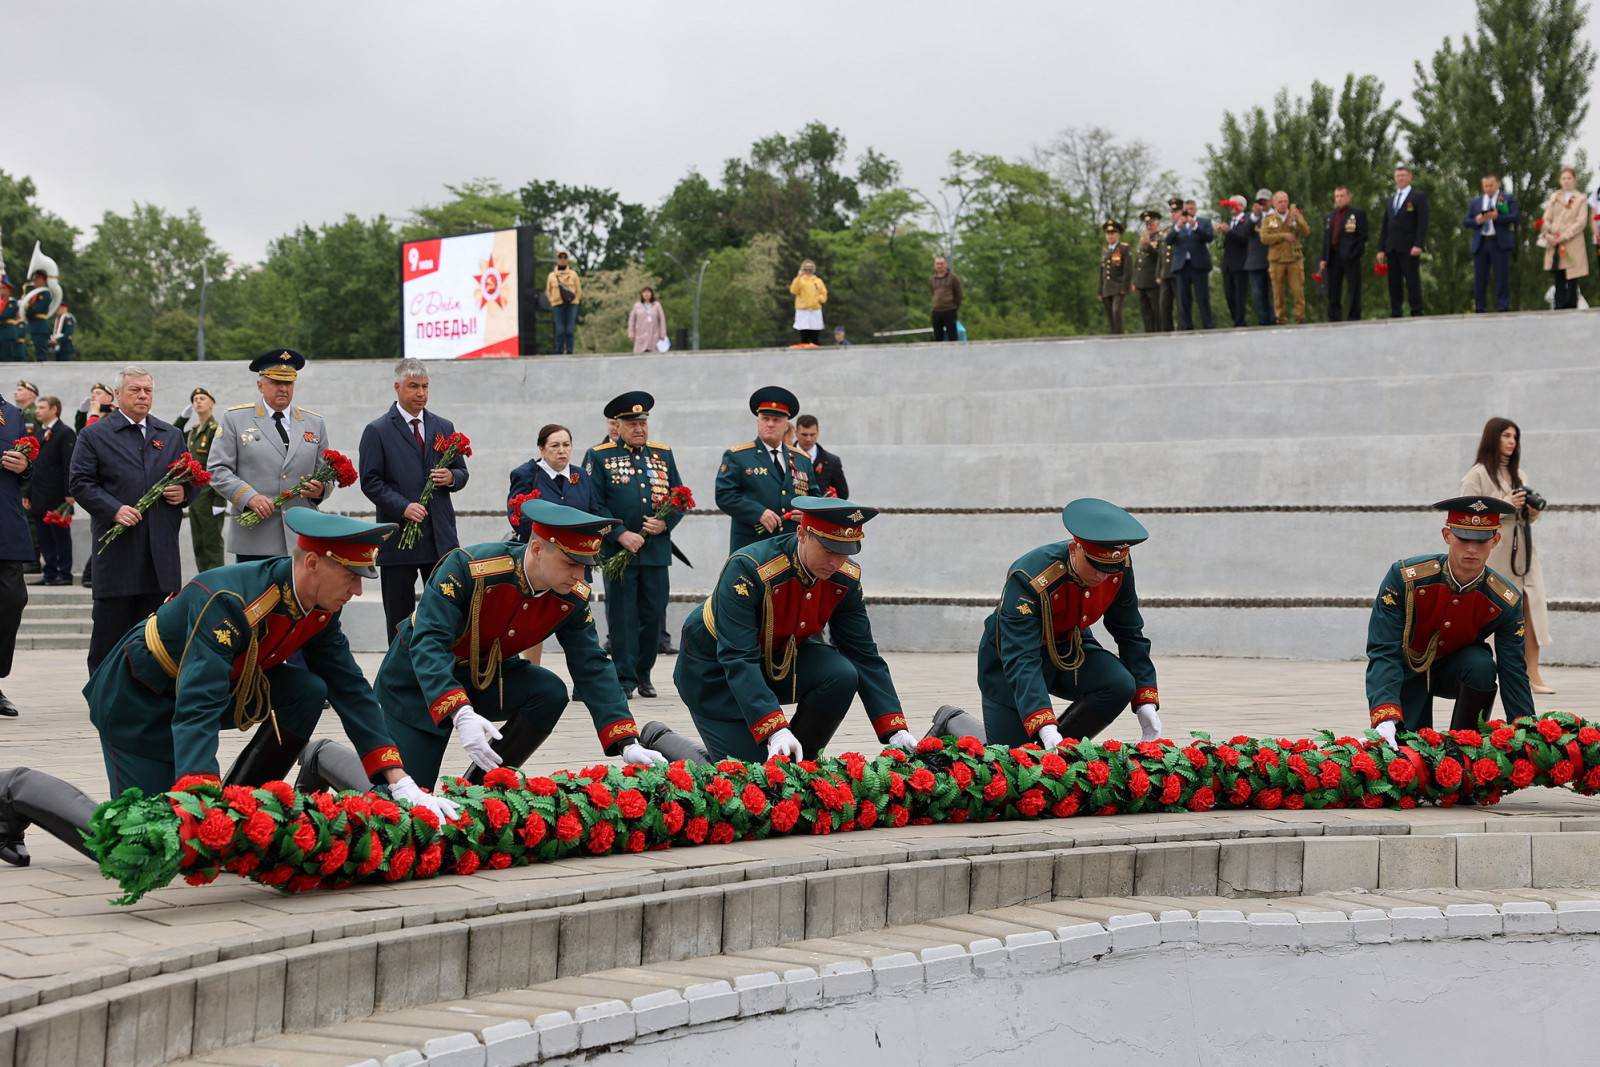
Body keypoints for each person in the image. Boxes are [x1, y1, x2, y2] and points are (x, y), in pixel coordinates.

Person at [0, 510, 460, 868]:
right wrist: (198, 798)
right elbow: (195, 706)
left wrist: (399, 780)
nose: (358, 591)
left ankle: (245, 801)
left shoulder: (319, 605)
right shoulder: (229, 600)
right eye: (352, 577)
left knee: (307, 688)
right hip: (139, 702)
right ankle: (14, 790)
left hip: (214, 691)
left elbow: (351, 689)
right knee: (139, 846)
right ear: (314, 563)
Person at [349, 497, 664, 791]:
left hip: (486, 678)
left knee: (549, 692)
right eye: (571, 563)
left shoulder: (570, 597)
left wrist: (627, 741)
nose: (579, 575)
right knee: (403, 796)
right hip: (417, 685)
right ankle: (324, 761)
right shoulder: (469, 568)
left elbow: (591, 664)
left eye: (586, 565)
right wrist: (459, 712)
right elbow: (428, 643)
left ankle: (482, 786)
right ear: (538, 549)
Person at [642, 497, 915, 764]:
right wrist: (774, 730)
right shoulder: (749, 568)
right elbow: (737, 657)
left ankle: (798, 762)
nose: (836, 562)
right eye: (829, 549)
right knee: (746, 780)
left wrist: (894, 729)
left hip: (776, 661)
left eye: (845, 552)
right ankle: (660, 738)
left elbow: (862, 653)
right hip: (715, 674)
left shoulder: (843, 578)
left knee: (841, 674)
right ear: (802, 534)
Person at [976, 498, 1161, 746]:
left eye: (1110, 568)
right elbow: (1022, 658)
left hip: (1069, 649)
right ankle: (951, 720)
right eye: (1095, 566)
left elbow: (1129, 632)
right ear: (1075, 550)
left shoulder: (1117, 570)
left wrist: (1145, 700)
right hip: (1011, 658)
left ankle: (1061, 751)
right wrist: (1044, 725)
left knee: (1119, 684)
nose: (1102, 576)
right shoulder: (1030, 577)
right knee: (1010, 760)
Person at [1365, 496, 1533, 748]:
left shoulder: (1505, 600)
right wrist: (1385, 715)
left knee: (1482, 665)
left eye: (1481, 541)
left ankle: (1464, 746)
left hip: (1457, 671)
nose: (1472, 549)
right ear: (1447, 535)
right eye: (1463, 538)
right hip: (1407, 671)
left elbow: (1513, 670)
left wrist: (1527, 731)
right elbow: (1383, 649)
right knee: (1409, 751)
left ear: (1495, 540)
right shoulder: (1405, 578)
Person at [67, 366, 195, 673]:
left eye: (147, 390)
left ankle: (147, 703)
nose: (142, 396)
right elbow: (80, 483)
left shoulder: (171, 434)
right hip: (119, 554)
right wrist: (114, 509)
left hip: (159, 556)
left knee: (155, 638)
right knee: (110, 636)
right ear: (117, 395)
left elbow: (190, 478)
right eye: (134, 390)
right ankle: (103, 699)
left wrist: (184, 493)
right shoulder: (95, 435)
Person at [582, 391, 684, 699]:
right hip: (619, 552)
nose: (639, 429)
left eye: (642, 422)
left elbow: (680, 496)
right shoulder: (599, 455)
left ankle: (644, 673)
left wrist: (666, 522)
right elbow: (593, 503)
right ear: (618, 425)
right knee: (623, 615)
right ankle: (624, 677)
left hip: (655, 550)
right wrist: (619, 533)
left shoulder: (662, 454)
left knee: (653, 613)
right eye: (632, 423)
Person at [357, 359, 468, 643]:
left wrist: (451, 476)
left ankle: (440, 666)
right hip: (398, 542)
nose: (421, 393)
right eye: (414, 387)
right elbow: (370, 481)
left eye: (425, 387)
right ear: (397, 388)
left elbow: (463, 472)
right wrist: (402, 506)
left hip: (439, 539)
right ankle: (400, 676)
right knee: (399, 616)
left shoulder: (443, 426)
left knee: (446, 610)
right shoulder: (377, 430)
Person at [208, 349, 333, 562]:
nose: (283, 388)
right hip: (256, 537)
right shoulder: (236, 419)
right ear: (260, 385)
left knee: (300, 596)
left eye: (289, 383)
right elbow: (217, 470)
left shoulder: (314, 423)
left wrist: (321, 489)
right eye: (276, 382)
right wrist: (249, 497)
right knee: (258, 596)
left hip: (301, 536)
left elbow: (327, 472)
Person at [1460, 418, 1553, 694]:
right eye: (1506, 436)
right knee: (1491, 606)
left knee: (1531, 605)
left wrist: (1531, 512)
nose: (1512, 441)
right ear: (1493, 438)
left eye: (1515, 437)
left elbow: (1523, 516)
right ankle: (1469, 663)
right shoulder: (1476, 475)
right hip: (1494, 550)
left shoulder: (1519, 475)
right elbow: (1467, 516)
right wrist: (1504, 507)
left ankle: (1532, 672)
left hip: (1523, 549)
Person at [716, 386, 815, 552]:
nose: (770, 424)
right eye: (765, 418)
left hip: (792, 544)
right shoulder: (738, 456)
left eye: (776, 420)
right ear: (758, 421)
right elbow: (724, 495)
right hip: (753, 546)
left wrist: (808, 515)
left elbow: (814, 496)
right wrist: (758, 513)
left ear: (786, 425)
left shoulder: (801, 459)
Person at [0, 387, 34, 717]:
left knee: (12, 599)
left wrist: (24, 466)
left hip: (4, 523)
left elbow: (28, 473)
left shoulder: (11, 413)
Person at [174, 387, 225, 574]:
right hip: (195, 493)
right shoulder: (194, 430)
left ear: (212, 403)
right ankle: (204, 580)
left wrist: (220, 499)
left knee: (212, 542)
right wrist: (182, 418)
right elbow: (173, 434)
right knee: (199, 542)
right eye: (195, 399)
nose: (198, 401)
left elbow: (221, 465)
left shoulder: (216, 430)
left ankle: (216, 584)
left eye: (202, 398)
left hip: (211, 495)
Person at [27, 396, 74, 588]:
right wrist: (26, 494)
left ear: (54, 409)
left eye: (42, 407)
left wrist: (70, 493)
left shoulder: (65, 433)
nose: (37, 411)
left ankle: (64, 573)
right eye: (37, 407)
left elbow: (68, 465)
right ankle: (49, 572)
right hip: (39, 495)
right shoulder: (38, 434)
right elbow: (32, 466)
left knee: (60, 536)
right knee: (44, 537)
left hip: (57, 496)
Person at [1378, 164, 1430, 317]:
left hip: (1409, 247)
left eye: (1403, 175)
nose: (1400, 178)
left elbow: (1422, 223)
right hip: (1392, 247)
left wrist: (1419, 244)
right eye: (1398, 176)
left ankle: (1416, 311)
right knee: (1393, 282)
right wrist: (1381, 248)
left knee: (1412, 280)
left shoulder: (1417, 197)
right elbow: (1385, 225)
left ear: (1410, 177)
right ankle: (1396, 311)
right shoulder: (1391, 199)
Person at [1463, 173, 1518, 313]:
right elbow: (1466, 221)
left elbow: (1515, 217)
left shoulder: (1506, 198)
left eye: (1491, 185)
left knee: (1501, 277)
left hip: (1499, 243)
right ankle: (1480, 308)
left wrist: (1497, 217)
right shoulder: (1476, 201)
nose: (1488, 188)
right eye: (1485, 186)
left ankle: (1503, 306)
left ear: (1497, 184)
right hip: (1481, 243)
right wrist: (1477, 221)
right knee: (1480, 279)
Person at [1540, 166, 1589, 310]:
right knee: (1558, 272)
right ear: (1560, 181)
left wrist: (1563, 236)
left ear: (1574, 180)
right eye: (1563, 178)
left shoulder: (1580, 198)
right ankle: (1559, 304)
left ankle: (1571, 303)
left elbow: (1581, 222)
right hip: (1554, 240)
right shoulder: (1555, 197)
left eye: (1569, 178)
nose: (1566, 181)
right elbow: (1546, 218)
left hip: (1572, 241)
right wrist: (1547, 233)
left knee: (1572, 273)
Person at [1260, 192, 1311, 325]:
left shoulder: (1295, 215)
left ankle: (1300, 317)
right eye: (1280, 202)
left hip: (1294, 258)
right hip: (1276, 260)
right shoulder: (1268, 219)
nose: (1283, 204)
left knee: (1298, 290)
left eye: (1285, 201)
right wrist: (1282, 236)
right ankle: (1281, 318)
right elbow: (1264, 238)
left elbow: (1306, 232)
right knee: (1278, 292)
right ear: (1274, 203)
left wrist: (1298, 220)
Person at [1318, 185, 1368, 322]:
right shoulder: (1330, 216)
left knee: (1353, 288)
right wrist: (1323, 257)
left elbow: (1362, 237)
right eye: (1337, 196)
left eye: (1342, 196)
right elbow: (1325, 238)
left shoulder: (1357, 213)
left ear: (1348, 197)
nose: (1339, 199)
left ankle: (1353, 316)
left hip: (1350, 256)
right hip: (1333, 257)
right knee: (1333, 289)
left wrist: (1355, 254)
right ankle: (1334, 317)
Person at [1165, 199, 1214, 330]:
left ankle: (1208, 325)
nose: (1189, 212)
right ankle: (1187, 326)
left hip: (1199, 264)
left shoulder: (1204, 222)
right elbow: (1168, 240)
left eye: (1191, 209)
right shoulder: (1177, 224)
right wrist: (1177, 226)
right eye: (1186, 210)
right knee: (1184, 299)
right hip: (1182, 265)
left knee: (1202, 297)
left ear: (1196, 209)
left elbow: (1209, 237)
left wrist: (1195, 226)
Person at [1218, 196, 1254, 327]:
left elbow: (1244, 238)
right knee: (1229, 295)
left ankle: (1240, 322)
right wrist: (1220, 234)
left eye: (1233, 205)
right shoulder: (1229, 221)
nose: (1230, 208)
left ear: (1241, 206)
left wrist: (1229, 231)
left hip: (1240, 264)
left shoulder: (1247, 220)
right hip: (1228, 264)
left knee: (1240, 296)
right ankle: (1236, 319)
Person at [794, 414, 848, 498]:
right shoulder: (785, 456)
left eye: (812, 435)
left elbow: (843, 494)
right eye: (804, 435)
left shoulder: (832, 461)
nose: (808, 439)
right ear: (796, 433)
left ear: (818, 433)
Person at [1243, 190, 1276, 326]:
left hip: (1274, 260)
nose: (1262, 204)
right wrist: (1254, 217)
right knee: (1258, 295)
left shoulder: (1276, 215)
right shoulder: (1251, 217)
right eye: (1260, 201)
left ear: (1271, 201)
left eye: (1265, 201)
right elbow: (1244, 232)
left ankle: (1276, 320)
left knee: (1275, 294)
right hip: (1255, 262)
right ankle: (1264, 322)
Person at [1097, 220, 1135, 334]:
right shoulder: (1105, 251)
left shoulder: (1123, 249)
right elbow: (1102, 272)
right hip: (1107, 288)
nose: (1110, 235)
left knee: (1116, 310)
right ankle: (1114, 334)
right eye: (1108, 233)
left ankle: (1119, 335)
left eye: (1112, 233)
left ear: (1118, 234)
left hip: (1118, 286)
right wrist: (1099, 291)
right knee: (1109, 314)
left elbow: (1128, 270)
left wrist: (1125, 286)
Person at [1132, 211, 1165, 333]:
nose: (1149, 226)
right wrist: (1135, 280)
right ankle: (1148, 333)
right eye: (1147, 224)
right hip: (1142, 281)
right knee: (1145, 311)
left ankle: (1159, 332)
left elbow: (1160, 257)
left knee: (1156, 310)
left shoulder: (1161, 237)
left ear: (1157, 223)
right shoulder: (1145, 238)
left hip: (1153, 280)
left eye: (1151, 223)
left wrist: (1149, 247)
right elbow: (1139, 261)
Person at [545, 251, 581, 355]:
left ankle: (570, 351)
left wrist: (576, 301)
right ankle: (558, 350)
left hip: (571, 304)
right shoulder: (551, 276)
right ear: (557, 259)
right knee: (560, 329)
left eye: (565, 257)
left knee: (569, 329)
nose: (562, 259)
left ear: (567, 259)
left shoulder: (573, 274)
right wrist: (552, 300)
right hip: (557, 304)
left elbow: (578, 290)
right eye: (560, 257)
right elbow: (548, 290)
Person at [789, 260, 828, 345]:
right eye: (806, 269)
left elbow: (824, 293)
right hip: (803, 310)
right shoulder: (799, 280)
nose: (808, 271)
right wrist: (798, 277)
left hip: (815, 310)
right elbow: (794, 291)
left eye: (810, 268)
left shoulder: (818, 281)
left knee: (815, 334)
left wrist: (819, 299)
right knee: (804, 334)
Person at [930, 255, 964, 341]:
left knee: (952, 337)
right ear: (935, 265)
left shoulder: (953, 278)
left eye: (941, 263)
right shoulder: (932, 279)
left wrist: (955, 306)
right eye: (938, 264)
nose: (939, 266)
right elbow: (932, 292)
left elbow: (959, 294)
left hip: (950, 310)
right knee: (938, 338)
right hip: (936, 311)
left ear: (946, 265)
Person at [23, 270, 52, 362]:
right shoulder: (35, 295)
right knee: (36, 350)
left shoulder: (45, 293)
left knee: (41, 351)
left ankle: (43, 372)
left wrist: (27, 307)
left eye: (37, 279)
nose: (35, 281)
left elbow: (37, 309)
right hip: (34, 325)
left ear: (43, 281)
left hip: (40, 326)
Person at [626, 287, 667, 354]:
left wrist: (663, 334)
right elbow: (632, 321)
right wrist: (631, 333)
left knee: (654, 357)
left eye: (648, 292)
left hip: (654, 336)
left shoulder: (657, 305)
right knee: (640, 357)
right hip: (640, 336)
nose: (646, 294)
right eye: (644, 292)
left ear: (651, 294)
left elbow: (662, 320)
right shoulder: (637, 306)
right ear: (642, 294)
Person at [0, 276, 22, 363]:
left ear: (8, 290)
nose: (1, 290)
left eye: (3, 288)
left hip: (7, 334)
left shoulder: (12, 303)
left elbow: (5, 316)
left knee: (7, 358)